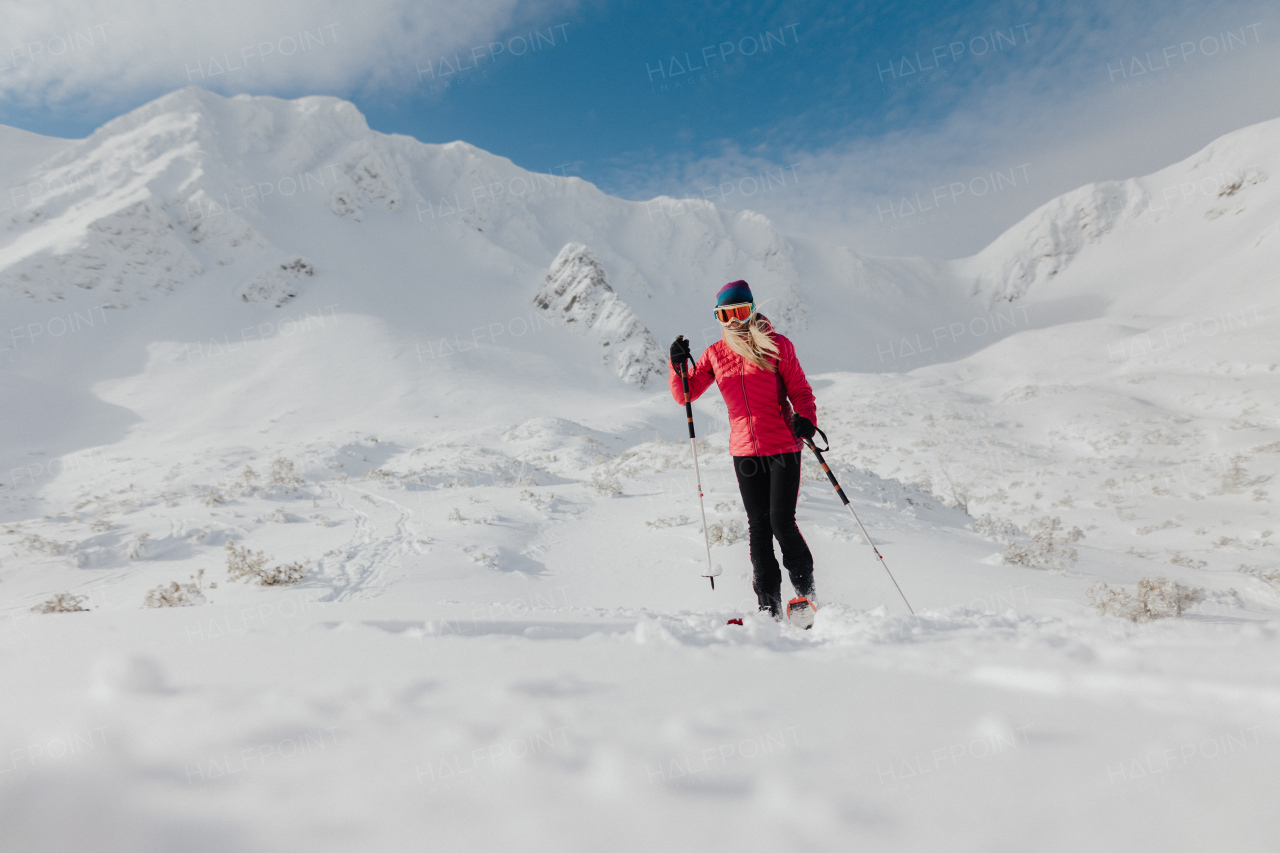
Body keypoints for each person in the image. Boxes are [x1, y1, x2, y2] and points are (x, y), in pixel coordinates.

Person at [668, 279, 820, 623]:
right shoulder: (714, 354)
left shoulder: (777, 345)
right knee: (758, 526)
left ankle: (806, 599)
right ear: (718, 318)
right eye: (725, 315)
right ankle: (768, 609)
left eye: (739, 312)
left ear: (752, 310)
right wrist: (677, 365)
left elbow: (800, 389)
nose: (734, 321)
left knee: (782, 521)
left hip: (782, 445)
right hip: (744, 452)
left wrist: (806, 419)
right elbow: (686, 394)